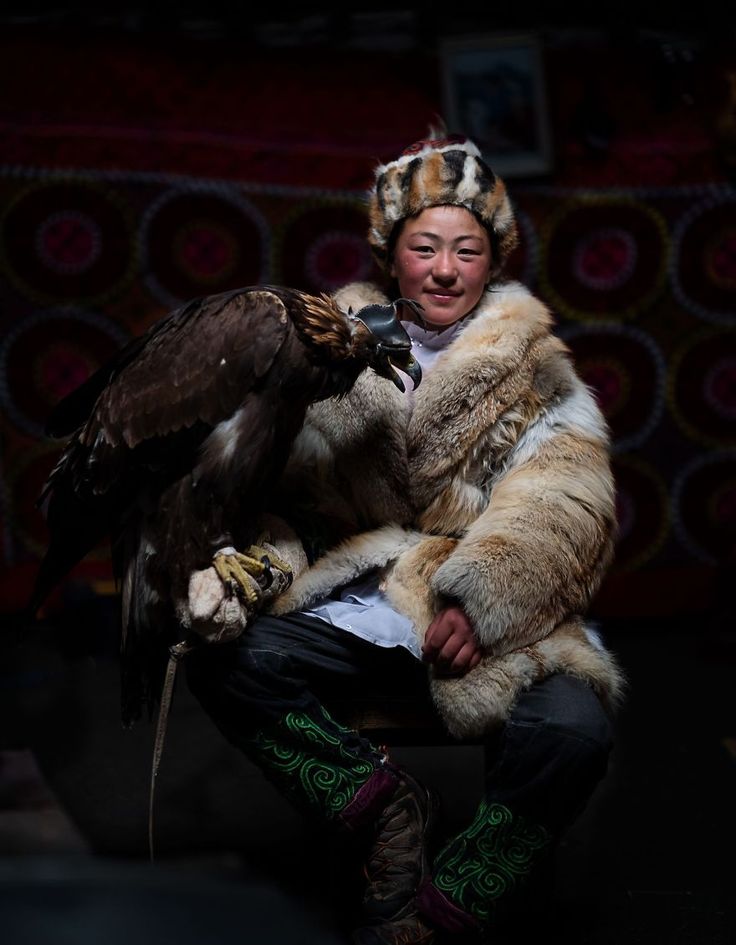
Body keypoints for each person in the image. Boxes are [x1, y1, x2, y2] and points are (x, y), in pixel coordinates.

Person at [183, 131, 625, 944]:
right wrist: (249, 569)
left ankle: (451, 901)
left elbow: (563, 495)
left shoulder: (536, 366)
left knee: (574, 729)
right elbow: (289, 500)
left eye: (468, 249)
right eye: (425, 247)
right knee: (224, 655)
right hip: (363, 594)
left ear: (494, 261)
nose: (446, 269)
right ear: (393, 257)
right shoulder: (327, 356)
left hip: (487, 610)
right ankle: (381, 805)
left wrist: (485, 600)